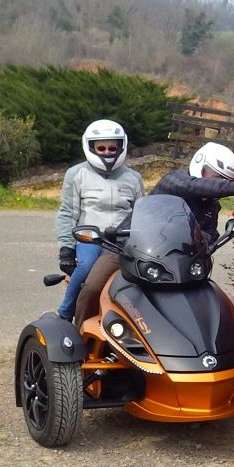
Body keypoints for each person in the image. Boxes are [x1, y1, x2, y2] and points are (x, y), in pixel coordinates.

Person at [74, 141, 234, 326]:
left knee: (202, 294)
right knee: (93, 287)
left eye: (223, 180)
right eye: (213, 176)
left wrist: (205, 238)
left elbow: (210, 234)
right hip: (129, 248)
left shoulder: (211, 206)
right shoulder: (175, 181)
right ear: (199, 165)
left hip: (176, 262)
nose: (215, 183)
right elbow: (196, 186)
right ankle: (81, 336)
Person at [55, 119, 144, 321]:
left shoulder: (133, 178)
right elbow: (67, 213)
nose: (107, 152)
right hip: (90, 238)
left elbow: (142, 213)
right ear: (90, 147)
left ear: (122, 146)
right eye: (101, 148)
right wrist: (66, 250)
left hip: (123, 241)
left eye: (112, 148)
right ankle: (66, 312)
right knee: (86, 268)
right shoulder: (77, 174)